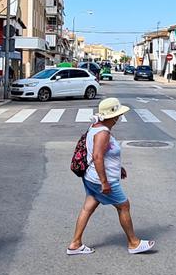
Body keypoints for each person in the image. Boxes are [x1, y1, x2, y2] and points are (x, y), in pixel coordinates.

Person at [67, 97, 156, 255]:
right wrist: (105, 183)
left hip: (91, 177)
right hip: (100, 179)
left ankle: (75, 244)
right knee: (123, 206)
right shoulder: (103, 133)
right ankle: (133, 243)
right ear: (113, 116)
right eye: (118, 115)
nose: (119, 118)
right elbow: (97, 156)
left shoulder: (96, 127)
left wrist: (118, 167)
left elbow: (103, 155)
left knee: (88, 207)